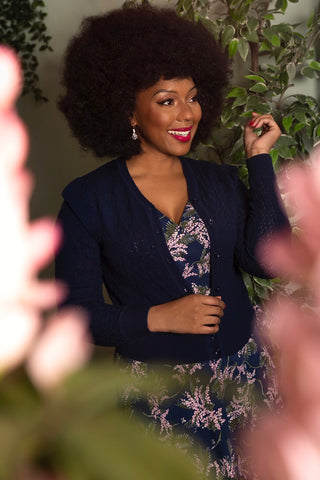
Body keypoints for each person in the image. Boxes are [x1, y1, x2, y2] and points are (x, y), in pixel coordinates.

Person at [55, 4, 289, 479]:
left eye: (193, 97)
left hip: (246, 381)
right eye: (167, 100)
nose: (188, 114)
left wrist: (259, 162)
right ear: (128, 110)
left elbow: (269, 259)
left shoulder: (220, 182)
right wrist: (158, 317)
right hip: (161, 398)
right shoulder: (87, 201)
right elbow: (74, 319)